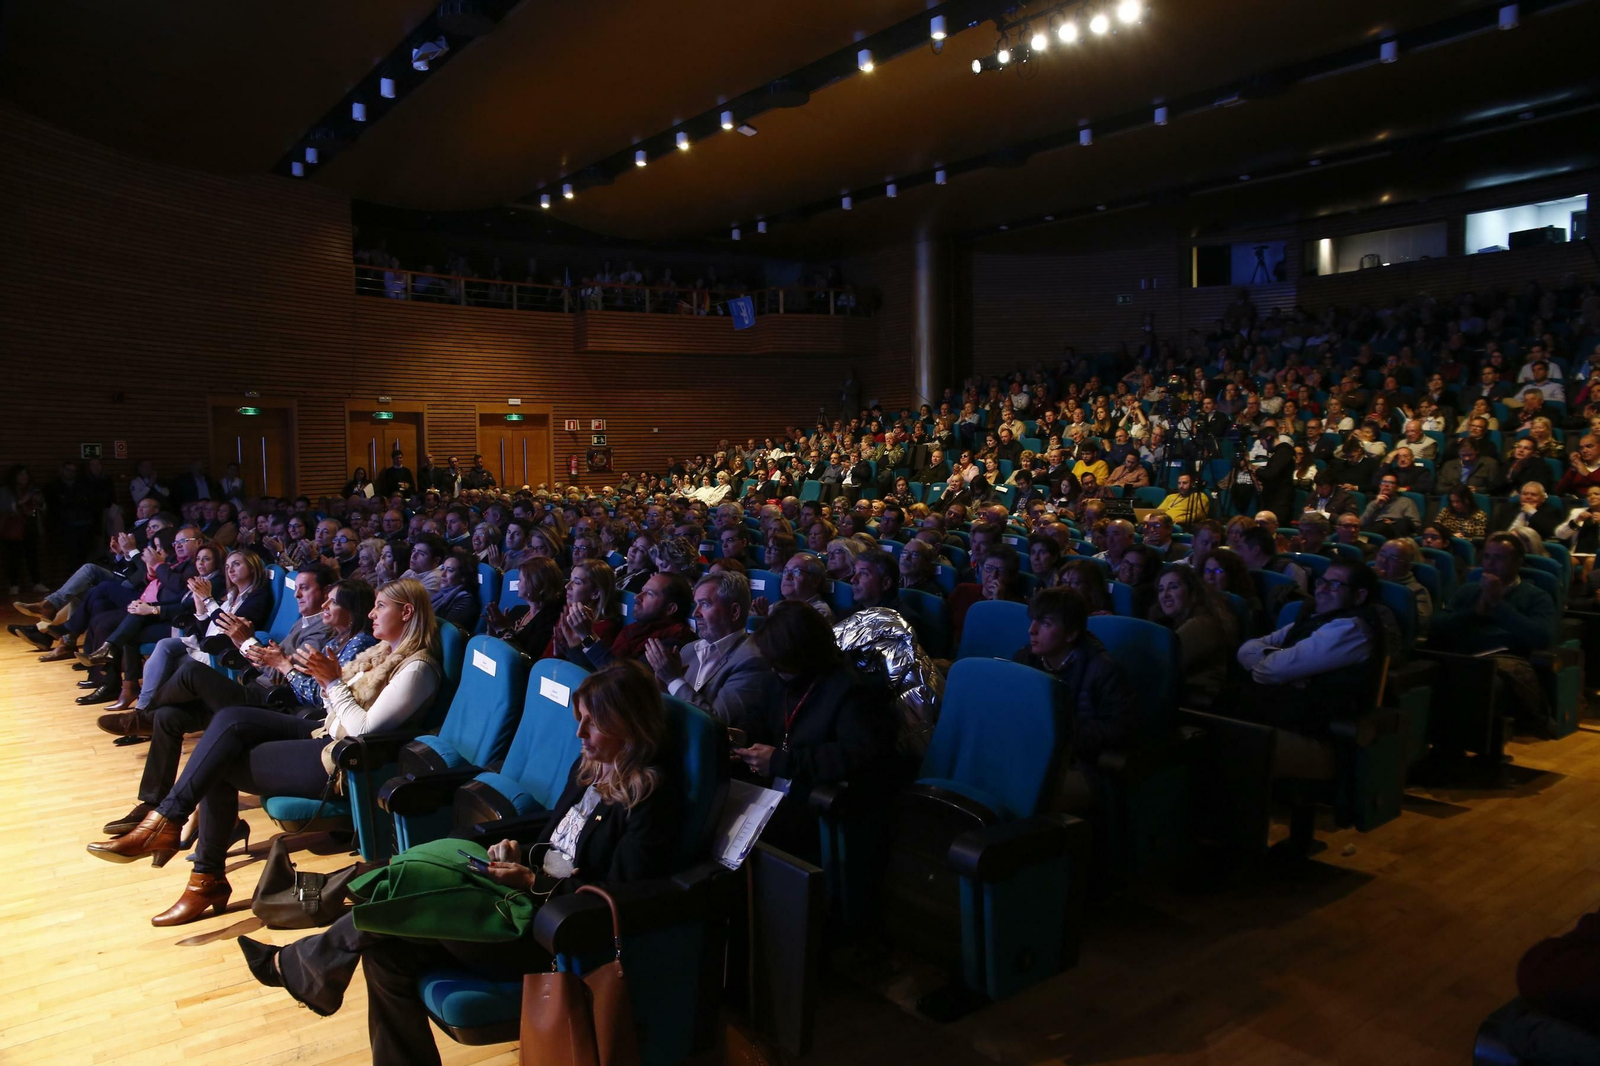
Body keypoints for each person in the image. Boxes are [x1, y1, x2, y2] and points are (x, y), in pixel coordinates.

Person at [236, 660, 681, 1064]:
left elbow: (614, 893)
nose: (580, 734)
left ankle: (297, 960)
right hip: (516, 896)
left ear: (631, 725)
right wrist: (517, 852)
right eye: (578, 720)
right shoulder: (590, 770)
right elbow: (555, 846)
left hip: (546, 932)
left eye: (593, 723)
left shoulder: (651, 799)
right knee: (388, 946)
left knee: (396, 907)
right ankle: (306, 954)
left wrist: (534, 882)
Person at [88, 579, 443, 926]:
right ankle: (169, 824)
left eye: (381, 606)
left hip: (343, 759)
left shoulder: (417, 668)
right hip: (323, 729)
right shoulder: (380, 653)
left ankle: (200, 871)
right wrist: (326, 682)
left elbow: (364, 730)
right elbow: (333, 703)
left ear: (407, 612)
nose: (371, 613)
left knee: (219, 761)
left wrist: (333, 681)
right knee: (229, 719)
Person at [99, 579, 378, 836]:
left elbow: (317, 697)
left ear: (352, 610)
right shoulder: (330, 637)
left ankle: (143, 717)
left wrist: (278, 662)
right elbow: (284, 672)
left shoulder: (356, 643)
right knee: (170, 717)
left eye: (331, 601)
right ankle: (152, 802)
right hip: (267, 689)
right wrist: (252, 650)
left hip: (285, 708)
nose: (321, 604)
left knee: (192, 673)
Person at [733, 601, 899, 861]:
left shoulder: (851, 692)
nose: (775, 671)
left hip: (815, 800)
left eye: (781, 665)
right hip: (777, 787)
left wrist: (781, 762)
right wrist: (743, 735)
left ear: (801, 654)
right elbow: (760, 717)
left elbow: (856, 757)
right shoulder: (781, 676)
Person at [1233, 560, 1388, 780]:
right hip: (1289, 714)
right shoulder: (1316, 618)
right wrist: (1284, 671)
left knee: (1230, 731)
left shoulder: (1352, 628)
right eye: (1322, 581)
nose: (1322, 589)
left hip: (1322, 732)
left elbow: (1269, 671)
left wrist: (1277, 669)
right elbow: (1246, 650)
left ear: (1359, 595)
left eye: (1334, 585)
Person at [1013, 588, 1137, 812]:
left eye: (1045, 623)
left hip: (1082, 765)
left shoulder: (1103, 670)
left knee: (1021, 794)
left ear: (1071, 634)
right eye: (1033, 621)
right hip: (1031, 754)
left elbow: (1121, 730)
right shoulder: (1026, 658)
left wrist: (1061, 733)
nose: (1032, 630)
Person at [110, 547, 271, 713]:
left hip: (223, 651)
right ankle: (143, 709)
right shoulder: (231, 594)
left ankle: (144, 711)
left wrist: (208, 600)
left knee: (168, 665)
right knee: (165, 645)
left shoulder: (258, 596)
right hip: (207, 643)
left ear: (252, 567)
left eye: (236, 564)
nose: (230, 569)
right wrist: (200, 607)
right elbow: (206, 631)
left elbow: (228, 628)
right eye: (228, 566)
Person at [1430, 533, 1558, 734]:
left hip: (1502, 663)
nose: (1490, 564)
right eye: (1487, 557)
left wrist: (1498, 604)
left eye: (1499, 558)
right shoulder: (1469, 590)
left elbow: (1541, 638)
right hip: (1460, 656)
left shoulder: (1536, 596)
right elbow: (1436, 626)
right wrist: (1474, 612)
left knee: (1479, 682)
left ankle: (1476, 749)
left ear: (1518, 562)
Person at [643, 571, 775, 724]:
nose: (695, 613)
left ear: (734, 612)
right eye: (696, 604)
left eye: (704, 604)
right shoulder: (689, 649)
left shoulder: (753, 660)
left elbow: (717, 724)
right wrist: (662, 687)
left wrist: (673, 679)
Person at [565, 571, 695, 669]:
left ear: (670, 608)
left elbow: (622, 680)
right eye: (642, 591)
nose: (637, 597)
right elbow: (596, 670)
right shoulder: (634, 629)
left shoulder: (672, 640)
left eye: (649, 594)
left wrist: (588, 637)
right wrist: (575, 645)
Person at [1151, 562, 1239, 702]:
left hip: (1197, 705)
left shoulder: (1201, 624)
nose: (1165, 595)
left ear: (1192, 593)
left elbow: (1158, 666)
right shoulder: (1174, 621)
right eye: (1161, 589)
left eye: (1173, 587)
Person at [482, 556, 566, 658]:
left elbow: (526, 658)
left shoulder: (552, 621)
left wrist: (502, 629)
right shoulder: (518, 610)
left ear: (534, 583)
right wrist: (493, 634)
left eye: (520, 580)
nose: (517, 583)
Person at [546, 559, 624, 659]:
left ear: (595, 593)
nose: (567, 586)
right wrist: (558, 653)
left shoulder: (604, 629)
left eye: (577, 582)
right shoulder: (569, 613)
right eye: (570, 580)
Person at [1372, 536, 1433, 635]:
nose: (1383, 561)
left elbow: (1417, 625)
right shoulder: (1366, 576)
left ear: (1408, 566)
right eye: (1382, 554)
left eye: (1393, 558)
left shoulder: (1416, 591)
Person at [752, 552, 836, 622]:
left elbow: (791, 639)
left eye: (796, 572)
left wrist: (766, 622)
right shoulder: (780, 604)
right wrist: (761, 618)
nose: (787, 576)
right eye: (785, 571)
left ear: (815, 581)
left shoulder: (819, 612)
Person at [1487, 482, 1562, 540]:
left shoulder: (1550, 511)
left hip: (1530, 548)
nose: (1528, 497)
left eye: (1533, 495)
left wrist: (1532, 512)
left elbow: (1550, 530)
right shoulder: (1507, 508)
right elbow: (1493, 530)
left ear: (1543, 498)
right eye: (1525, 494)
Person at [429, 548, 482, 630]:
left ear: (463, 577)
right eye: (443, 568)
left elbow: (445, 630)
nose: (443, 574)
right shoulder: (442, 593)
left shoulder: (465, 602)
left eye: (450, 570)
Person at [1360, 473, 1421, 539]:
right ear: (1380, 486)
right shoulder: (1374, 503)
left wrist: (1393, 523)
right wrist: (1376, 505)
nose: (1386, 485)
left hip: (1395, 533)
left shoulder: (1406, 502)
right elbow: (1361, 523)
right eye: (1383, 482)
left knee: (1400, 522)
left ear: (1397, 487)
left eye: (1391, 483)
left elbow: (1416, 524)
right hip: (1375, 530)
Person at [1555, 484, 1600, 556]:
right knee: (1567, 561)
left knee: (1590, 562)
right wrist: (1576, 521)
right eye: (1588, 495)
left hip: (1597, 554)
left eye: (1596, 494)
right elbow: (1560, 535)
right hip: (1578, 553)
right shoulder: (1577, 512)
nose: (1592, 497)